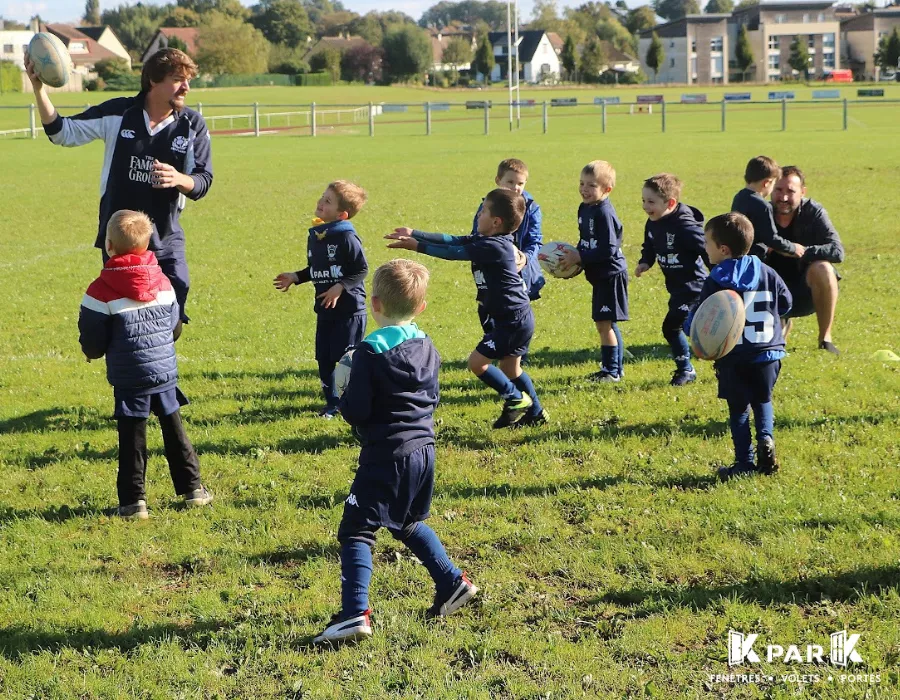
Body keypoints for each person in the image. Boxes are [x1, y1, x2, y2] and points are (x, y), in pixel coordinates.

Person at [314, 259, 477, 645]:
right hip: (424, 449)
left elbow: (356, 411)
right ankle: (452, 582)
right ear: (420, 307)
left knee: (356, 529)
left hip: (387, 454)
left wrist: (342, 391)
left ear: (374, 304)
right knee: (405, 521)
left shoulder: (368, 352)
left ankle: (354, 613)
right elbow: (431, 396)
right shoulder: (427, 345)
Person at [26, 48, 213, 323]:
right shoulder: (118, 113)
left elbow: (203, 180)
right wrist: (38, 89)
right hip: (120, 240)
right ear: (153, 80)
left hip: (165, 236)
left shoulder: (191, 125)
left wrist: (179, 179)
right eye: (177, 79)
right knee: (125, 319)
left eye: (188, 80)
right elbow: (61, 133)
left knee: (174, 312)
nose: (186, 86)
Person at [78, 210, 212, 519]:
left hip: (129, 376)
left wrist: (91, 352)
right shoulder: (163, 281)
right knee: (175, 430)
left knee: (132, 439)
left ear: (109, 246)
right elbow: (175, 325)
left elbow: (93, 335)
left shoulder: (100, 289)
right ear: (148, 243)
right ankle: (193, 490)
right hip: (163, 371)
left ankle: (132, 502)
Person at [387, 188, 546, 428]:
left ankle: (514, 398)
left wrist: (416, 246)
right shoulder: (488, 240)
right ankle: (535, 411)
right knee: (510, 368)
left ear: (495, 221)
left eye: (483, 211)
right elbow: (454, 240)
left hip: (512, 321)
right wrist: (415, 234)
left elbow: (453, 253)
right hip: (515, 317)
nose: (478, 214)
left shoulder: (495, 247)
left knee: (477, 363)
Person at [685, 213, 792, 482]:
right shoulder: (767, 272)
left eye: (707, 242)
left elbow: (700, 321)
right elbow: (787, 302)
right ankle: (766, 439)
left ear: (723, 249)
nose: (704, 248)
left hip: (734, 357)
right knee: (763, 400)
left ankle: (744, 462)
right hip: (769, 353)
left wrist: (690, 329)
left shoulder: (716, 279)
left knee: (739, 409)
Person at [273, 181, 368, 418]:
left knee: (346, 359)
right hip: (325, 310)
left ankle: (354, 400)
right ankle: (332, 402)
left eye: (328, 201)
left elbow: (361, 269)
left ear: (342, 214)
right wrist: (296, 277)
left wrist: (340, 287)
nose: (320, 202)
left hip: (349, 311)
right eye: (322, 197)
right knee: (324, 358)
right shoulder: (317, 236)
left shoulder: (347, 237)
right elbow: (316, 269)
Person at [634, 173, 708, 386]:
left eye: (651, 202)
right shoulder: (653, 222)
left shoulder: (685, 226)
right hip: (676, 289)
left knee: (677, 326)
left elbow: (705, 249)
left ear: (671, 203)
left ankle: (687, 368)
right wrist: (645, 261)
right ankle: (689, 368)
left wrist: (719, 272)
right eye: (643, 201)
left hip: (694, 287)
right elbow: (649, 244)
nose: (645, 207)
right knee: (676, 328)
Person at [559, 160, 627, 382]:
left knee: (603, 323)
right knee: (607, 322)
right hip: (598, 275)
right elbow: (586, 241)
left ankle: (611, 370)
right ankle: (615, 368)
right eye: (581, 183)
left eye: (591, 185)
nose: (584, 189)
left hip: (610, 274)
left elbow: (608, 248)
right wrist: (576, 259)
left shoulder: (604, 213)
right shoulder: (585, 208)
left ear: (607, 190)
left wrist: (581, 257)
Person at [768, 166, 845, 355]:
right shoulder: (761, 213)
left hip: (805, 291)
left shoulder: (813, 212)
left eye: (790, 191)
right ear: (770, 189)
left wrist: (797, 251)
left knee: (824, 269)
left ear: (802, 192)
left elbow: (837, 251)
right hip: (769, 291)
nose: (783, 198)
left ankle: (825, 339)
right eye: (778, 190)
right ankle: (779, 322)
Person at [469, 158, 546, 303]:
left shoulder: (531, 208)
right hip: (493, 268)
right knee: (490, 313)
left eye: (520, 183)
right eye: (510, 182)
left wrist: (525, 258)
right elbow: (477, 234)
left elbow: (535, 240)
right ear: (498, 180)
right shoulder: (488, 206)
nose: (515, 187)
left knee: (516, 313)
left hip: (521, 272)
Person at [730, 156, 798, 262]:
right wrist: (793, 248)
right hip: (755, 260)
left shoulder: (739, 197)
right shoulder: (763, 205)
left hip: (738, 257)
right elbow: (771, 238)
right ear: (766, 183)